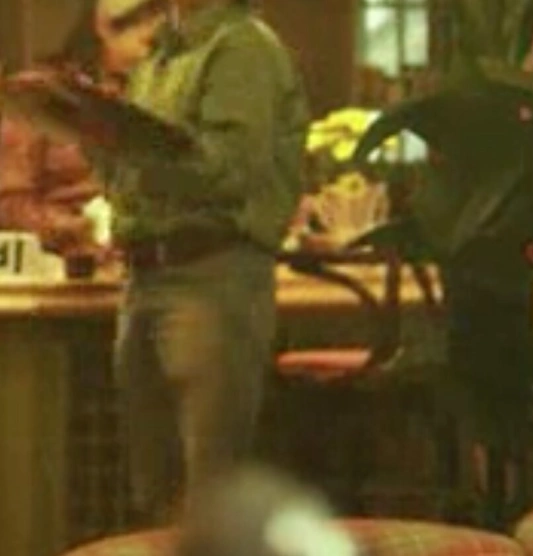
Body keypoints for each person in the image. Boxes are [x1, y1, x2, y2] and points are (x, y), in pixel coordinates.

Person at [88, 0, 310, 521]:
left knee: (209, 488)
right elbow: (128, 179)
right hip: (145, 274)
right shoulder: (161, 54)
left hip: (210, 271)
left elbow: (227, 172)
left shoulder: (241, 47)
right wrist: (90, 129)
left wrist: (125, 142)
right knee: (155, 490)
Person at [0, 0, 166, 260]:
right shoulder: (44, 94)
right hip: (62, 265)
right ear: (103, 26)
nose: (155, 30)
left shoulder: (167, 94)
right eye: (142, 18)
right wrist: (70, 226)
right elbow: (9, 201)